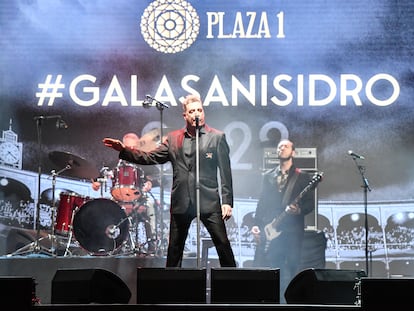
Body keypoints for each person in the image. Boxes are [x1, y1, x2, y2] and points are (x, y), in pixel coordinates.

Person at [102, 94, 236, 267]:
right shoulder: (174, 139)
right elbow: (150, 157)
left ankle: (234, 286)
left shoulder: (216, 137)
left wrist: (227, 201)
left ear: (204, 113)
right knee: (174, 249)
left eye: (200, 110)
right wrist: (124, 150)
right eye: (192, 111)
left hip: (208, 200)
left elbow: (225, 172)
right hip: (182, 201)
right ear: (185, 115)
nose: (197, 114)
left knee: (223, 244)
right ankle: (172, 289)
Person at [251, 139, 316, 302]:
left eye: (286, 146)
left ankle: (294, 302)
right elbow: (262, 203)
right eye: (279, 146)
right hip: (273, 228)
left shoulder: (303, 177)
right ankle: (275, 301)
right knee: (275, 266)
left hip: (293, 230)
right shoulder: (268, 176)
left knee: (294, 265)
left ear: (293, 152)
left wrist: (299, 210)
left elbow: (310, 204)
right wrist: (256, 225)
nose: (281, 148)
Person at [92, 132, 157, 254]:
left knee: (151, 206)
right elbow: (99, 176)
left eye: (133, 147)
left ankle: (151, 244)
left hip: (139, 198)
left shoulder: (144, 160)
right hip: (118, 198)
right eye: (128, 147)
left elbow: (153, 177)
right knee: (103, 208)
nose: (130, 150)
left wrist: (149, 183)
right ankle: (108, 244)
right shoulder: (113, 162)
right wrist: (96, 183)